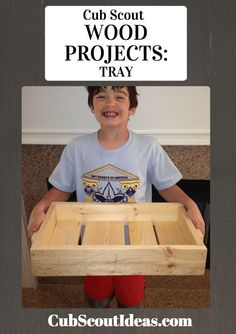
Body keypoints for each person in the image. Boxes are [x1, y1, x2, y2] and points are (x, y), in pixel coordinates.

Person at [28, 86, 205, 308]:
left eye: (119, 97)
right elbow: (62, 188)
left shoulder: (148, 147)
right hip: (91, 241)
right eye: (101, 96)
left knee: (130, 301)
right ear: (92, 107)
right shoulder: (77, 148)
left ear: (131, 108)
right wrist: (41, 206)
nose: (110, 102)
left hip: (136, 242)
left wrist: (189, 204)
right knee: (96, 299)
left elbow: (166, 186)